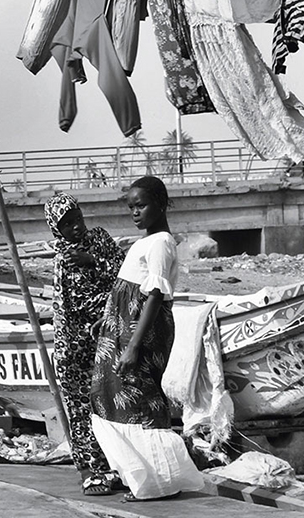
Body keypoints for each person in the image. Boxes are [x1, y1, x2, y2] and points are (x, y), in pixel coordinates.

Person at [90, 176, 203, 501]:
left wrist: (134, 346)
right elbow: (130, 291)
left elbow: (154, 295)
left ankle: (160, 483)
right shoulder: (147, 241)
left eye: (141, 205)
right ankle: (141, 476)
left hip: (142, 332)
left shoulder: (162, 242)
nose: (135, 213)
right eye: (131, 207)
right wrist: (109, 319)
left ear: (161, 204)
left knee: (139, 400)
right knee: (109, 395)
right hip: (124, 328)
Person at [44, 192, 124, 496]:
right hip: (74, 347)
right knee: (81, 410)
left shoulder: (100, 239)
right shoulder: (62, 257)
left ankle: (119, 466)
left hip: (106, 338)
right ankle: (91, 471)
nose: (76, 227)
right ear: (56, 229)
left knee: (112, 402)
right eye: (67, 224)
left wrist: (93, 261)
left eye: (77, 219)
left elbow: (126, 274)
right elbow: (75, 304)